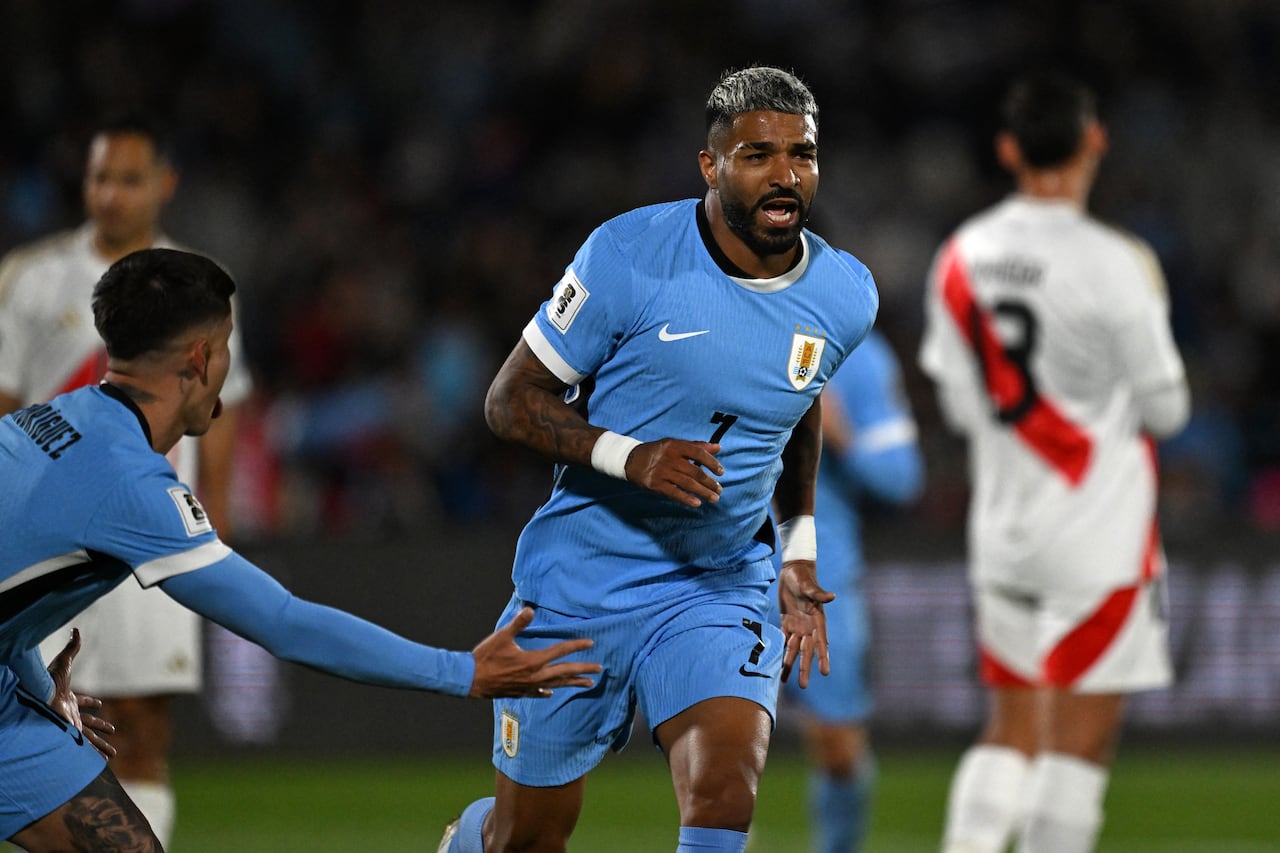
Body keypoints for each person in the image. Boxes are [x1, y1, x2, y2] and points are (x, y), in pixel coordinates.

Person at [0, 247, 601, 852]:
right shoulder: (130, 484)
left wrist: (34, 682)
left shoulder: (51, 422)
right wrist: (464, 671)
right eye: (227, 348)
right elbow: (283, 623)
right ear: (202, 358)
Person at [439, 65, 879, 853]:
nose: (785, 174)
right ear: (711, 166)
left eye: (802, 154)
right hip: (584, 577)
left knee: (724, 791)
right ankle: (473, 836)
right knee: (525, 837)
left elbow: (800, 398)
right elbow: (510, 400)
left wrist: (798, 545)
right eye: (758, 155)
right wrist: (629, 456)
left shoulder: (845, 293)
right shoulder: (627, 256)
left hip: (718, 581)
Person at [918, 72, 1190, 853]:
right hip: (1098, 536)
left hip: (1003, 529)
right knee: (1076, 750)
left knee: (1010, 728)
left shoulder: (962, 254)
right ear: (1094, 140)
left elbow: (961, 406)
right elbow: (1168, 410)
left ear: (1008, 150)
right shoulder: (1115, 262)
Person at [0, 114, 253, 846]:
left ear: (164, 185)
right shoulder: (30, 277)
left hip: (153, 521)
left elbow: (225, 414)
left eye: (128, 179)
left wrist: (217, 527)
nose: (110, 194)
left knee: (141, 724)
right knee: (47, 711)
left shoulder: (199, 285)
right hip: (56, 541)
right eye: (99, 177)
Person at [769, 329, 923, 853]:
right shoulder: (710, 330)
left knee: (837, 749)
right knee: (714, 741)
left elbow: (901, 479)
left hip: (819, 574)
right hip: (722, 568)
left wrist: (842, 435)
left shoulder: (855, 354)